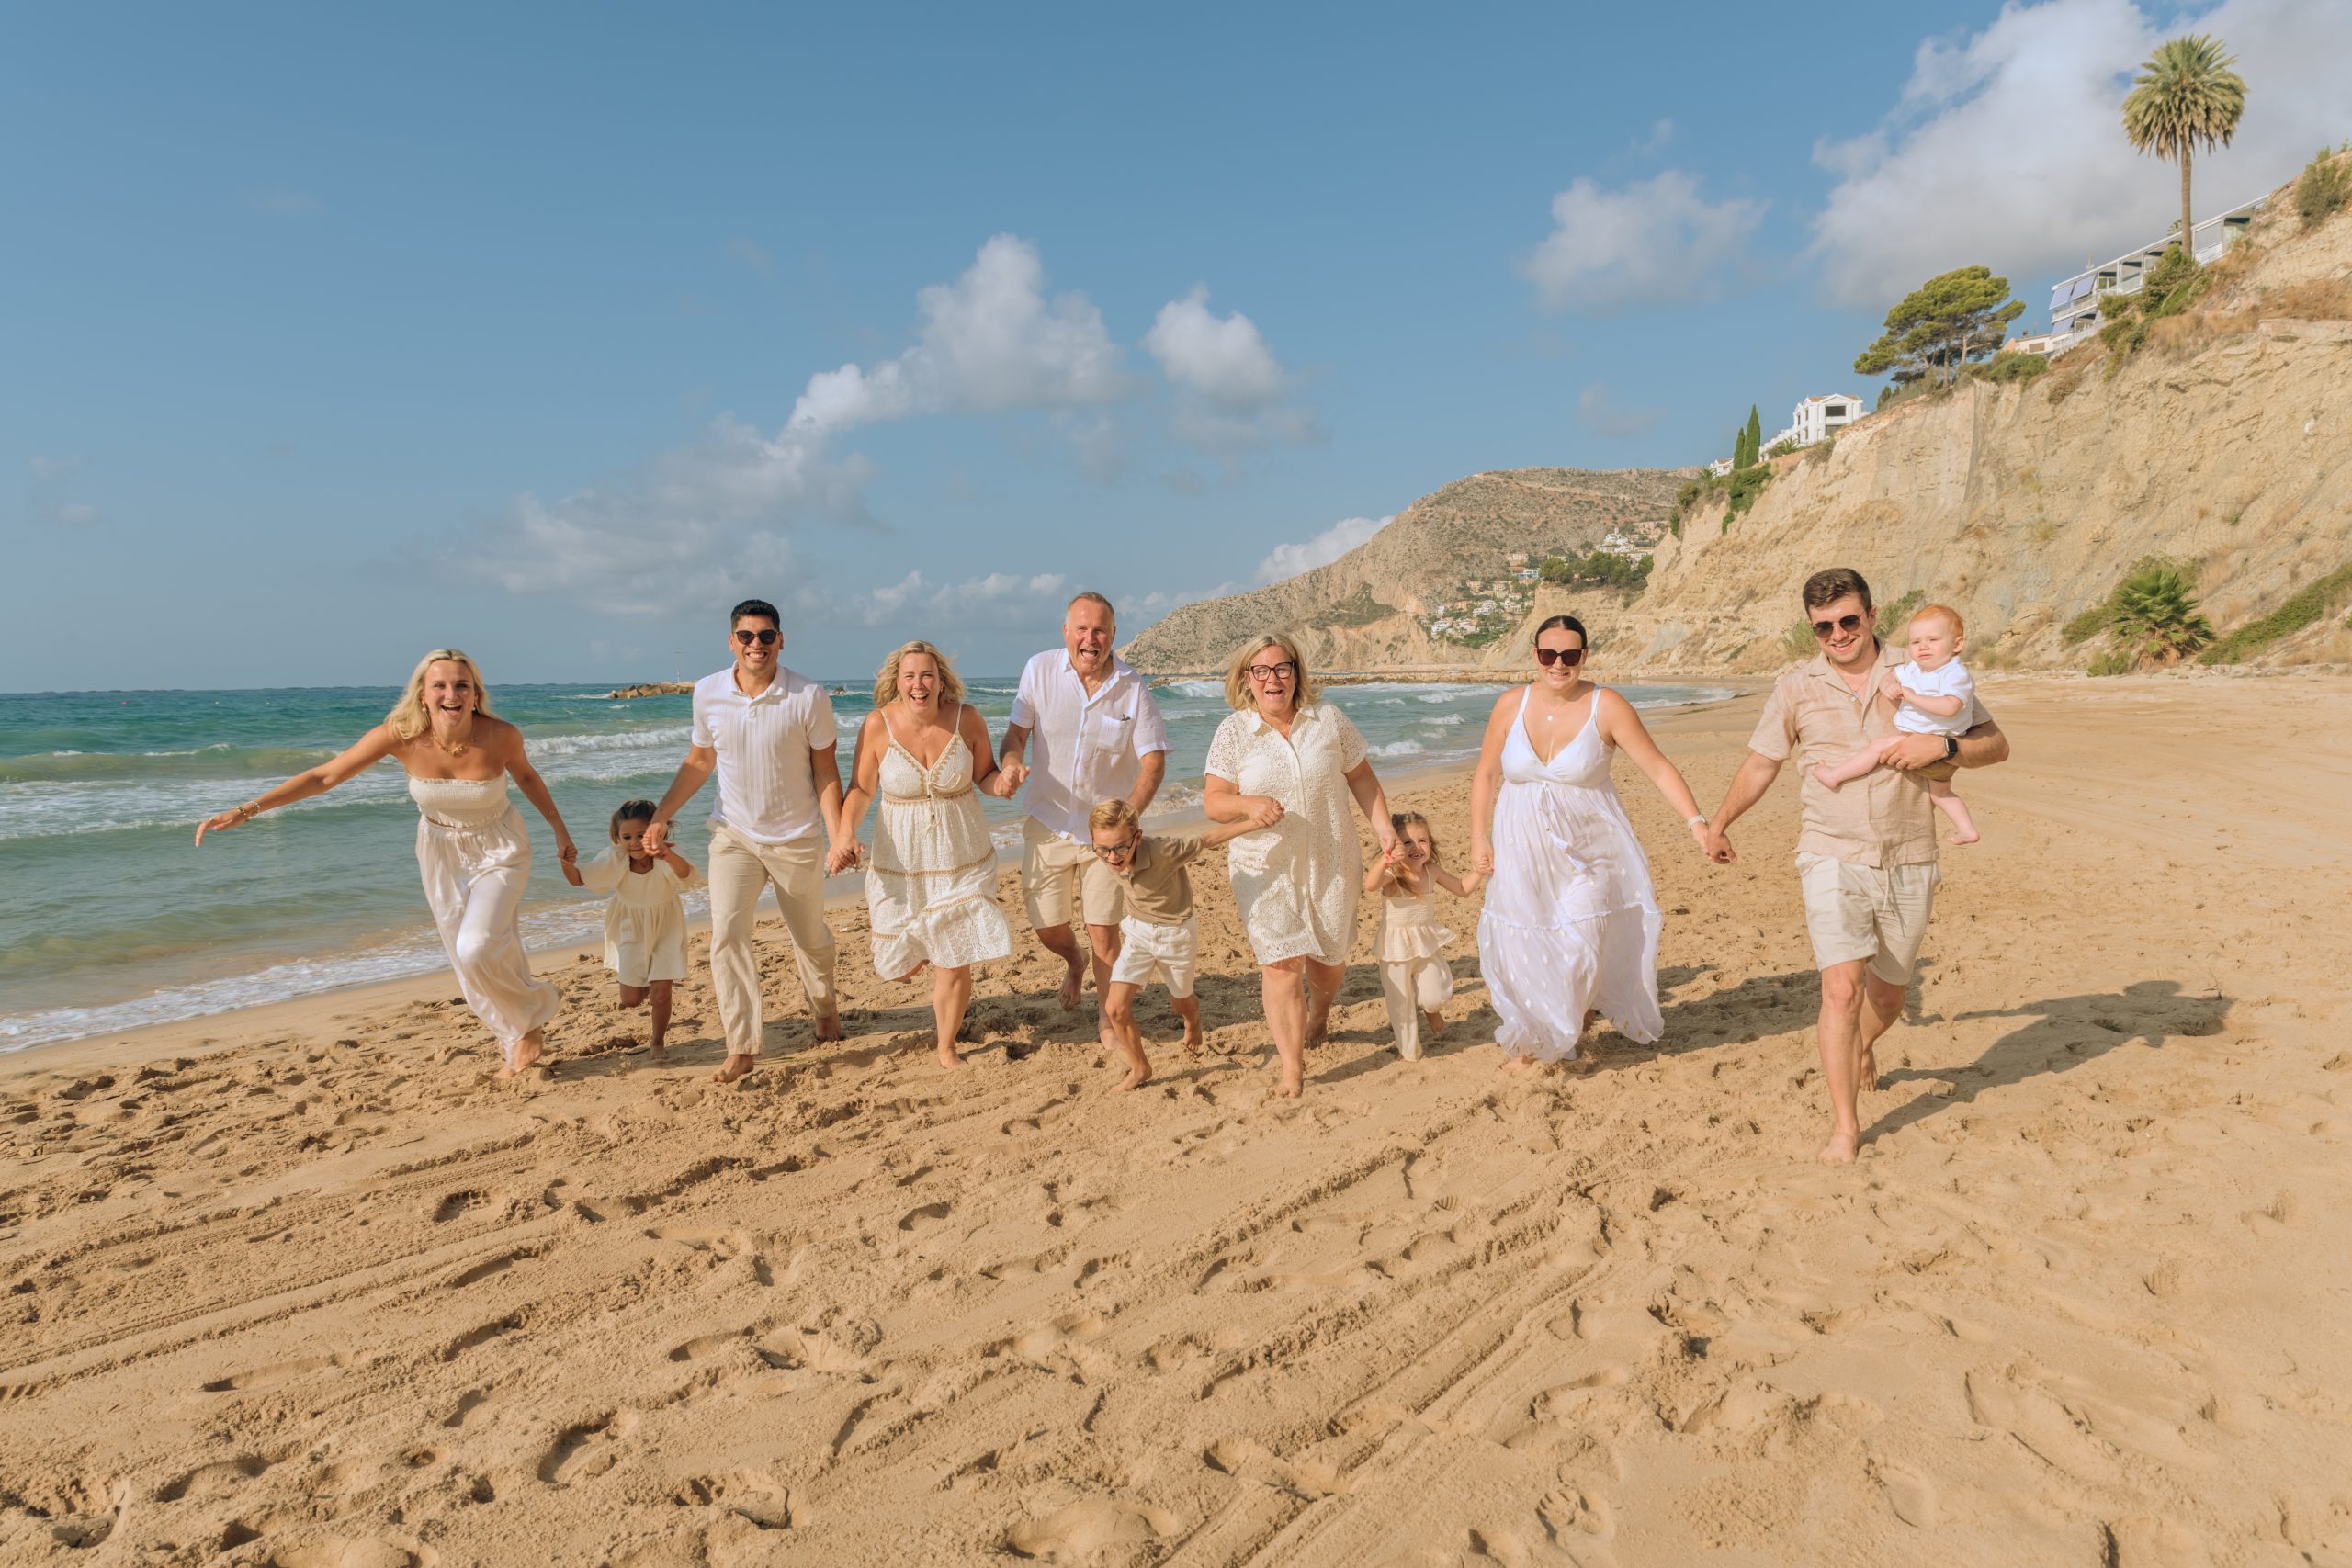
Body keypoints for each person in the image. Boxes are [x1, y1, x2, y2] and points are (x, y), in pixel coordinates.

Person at [1703, 568, 2010, 1165]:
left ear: (1871, 615)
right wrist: (1720, 823)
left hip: (1909, 852)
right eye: (1824, 627)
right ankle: (1845, 1126)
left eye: (1848, 620)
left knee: (1888, 998)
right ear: (1812, 630)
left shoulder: (1922, 665)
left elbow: (1995, 744)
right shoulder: (1796, 688)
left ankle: (1864, 1045)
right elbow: (1763, 762)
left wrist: (1944, 747)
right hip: (1830, 852)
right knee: (1840, 991)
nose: (1838, 634)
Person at [195, 649, 574, 1080]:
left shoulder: (501, 735)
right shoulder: (401, 736)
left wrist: (559, 830)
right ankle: (515, 1040)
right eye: (440, 685)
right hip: (439, 851)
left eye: (461, 685)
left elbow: (526, 776)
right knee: (466, 955)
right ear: (423, 694)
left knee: (479, 944)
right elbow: (324, 777)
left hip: (500, 847)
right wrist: (247, 810)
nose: (451, 694)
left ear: (475, 694)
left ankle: (529, 1016)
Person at [1468, 615, 1723, 1071]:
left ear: (1584, 656)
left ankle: (1558, 1030)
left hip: (1592, 854)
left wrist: (1697, 824)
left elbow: (1658, 768)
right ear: (1535, 655)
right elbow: (1486, 773)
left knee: (1579, 944)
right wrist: (1477, 837)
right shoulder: (1510, 705)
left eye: (1569, 655)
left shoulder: (1607, 706)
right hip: (1522, 852)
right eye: (1549, 654)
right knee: (1529, 945)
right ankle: (1540, 1037)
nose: (1558, 664)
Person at [642, 600, 854, 1087]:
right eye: (746, 636)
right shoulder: (708, 691)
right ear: (731, 641)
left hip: (796, 838)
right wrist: (661, 815)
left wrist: (839, 834)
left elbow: (825, 771)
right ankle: (740, 1045)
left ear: (781, 641)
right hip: (733, 834)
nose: (756, 644)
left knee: (811, 938)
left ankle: (824, 1006)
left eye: (765, 636)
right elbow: (700, 760)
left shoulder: (809, 695)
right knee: (727, 936)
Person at [1202, 632, 1400, 1099]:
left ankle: (1320, 1012)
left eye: (1282, 668)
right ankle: (1292, 1069)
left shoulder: (1327, 720)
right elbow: (1214, 801)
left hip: (1332, 857)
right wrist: (1247, 804)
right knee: (1282, 963)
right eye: (1261, 670)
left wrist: (1384, 828)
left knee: (1329, 959)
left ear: (1296, 673)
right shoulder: (1233, 731)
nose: (1272, 679)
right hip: (1264, 867)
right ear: (1247, 678)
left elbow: (1362, 777)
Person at [831, 640, 1017, 1070]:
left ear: (941, 681)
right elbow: (861, 789)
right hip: (902, 862)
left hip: (962, 855)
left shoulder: (966, 718)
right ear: (897, 682)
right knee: (900, 966)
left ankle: (946, 1046)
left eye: (927, 675)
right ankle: (929, 955)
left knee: (952, 959)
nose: (919, 684)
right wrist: (844, 834)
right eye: (910, 676)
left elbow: (986, 776)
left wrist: (1004, 784)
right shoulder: (877, 725)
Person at [995, 592, 1171, 1020]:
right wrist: (1012, 764)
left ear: (1113, 635)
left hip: (1106, 836)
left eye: (1099, 631)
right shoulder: (1039, 669)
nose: (1090, 639)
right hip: (1048, 820)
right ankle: (1074, 961)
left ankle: (1110, 1023)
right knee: (1047, 928)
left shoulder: (1132, 688)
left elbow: (1153, 762)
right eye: (1081, 629)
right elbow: (1015, 734)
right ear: (1066, 632)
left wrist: (1127, 822)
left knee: (1104, 934)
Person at [1085, 797, 1253, 1092]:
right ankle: (1140, 1067)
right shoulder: (1110, 856)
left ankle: (1193, 1019)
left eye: (1121, 847)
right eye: (1103, 849)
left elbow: (1207, 839)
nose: (1112, 857)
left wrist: (1255, 821)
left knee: (1181, 1003)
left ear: (1138, 837)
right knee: (1115, 1009)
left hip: (1176, 935)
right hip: (1138, 934)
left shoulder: (1165, 851)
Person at [1812, 604, 1981, 845]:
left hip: (1934, 746)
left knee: (1877, 748)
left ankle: (1834, 775)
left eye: (1933, 640)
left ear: (1957, 645)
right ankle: (1967, 829)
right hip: (1931, 748)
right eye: (1915, 642)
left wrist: (1911, 696)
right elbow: (1892, 676)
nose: (1923, 647)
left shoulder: (1955, 675)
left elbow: (1950, 707)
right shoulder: (1916, 669)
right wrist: (1889, 683)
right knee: (1940, 794)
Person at [562, 798, 700, 1058]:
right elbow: (578, 879)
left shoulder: (666, 854)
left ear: (658, 832)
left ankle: (657, 1042)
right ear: (617, 838)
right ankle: (648, 984)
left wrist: (667, 854)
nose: (635, 843)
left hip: (666, 926)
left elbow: (686, 875)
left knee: (661, 994)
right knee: (631, 1000)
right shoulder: (615, 859)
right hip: (629, 927)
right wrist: (566, 862)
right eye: (627, 837)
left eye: (641, 835)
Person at [1363, 810, 1483, 1062]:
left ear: (1431, 844)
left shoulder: (1432, 871)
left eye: (1422, 841)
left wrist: (1480, 872)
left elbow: (1462, 888)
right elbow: (1370, 885)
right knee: (1401, 1003)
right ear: (1395, 847)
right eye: (1407, 842)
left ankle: (1430, 1008)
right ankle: (1410, 1052)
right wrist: (1385, 861)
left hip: (1426, 943)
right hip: (1394, 947)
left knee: (1436, 993)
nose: (1416, 847)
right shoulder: (1394, 873)